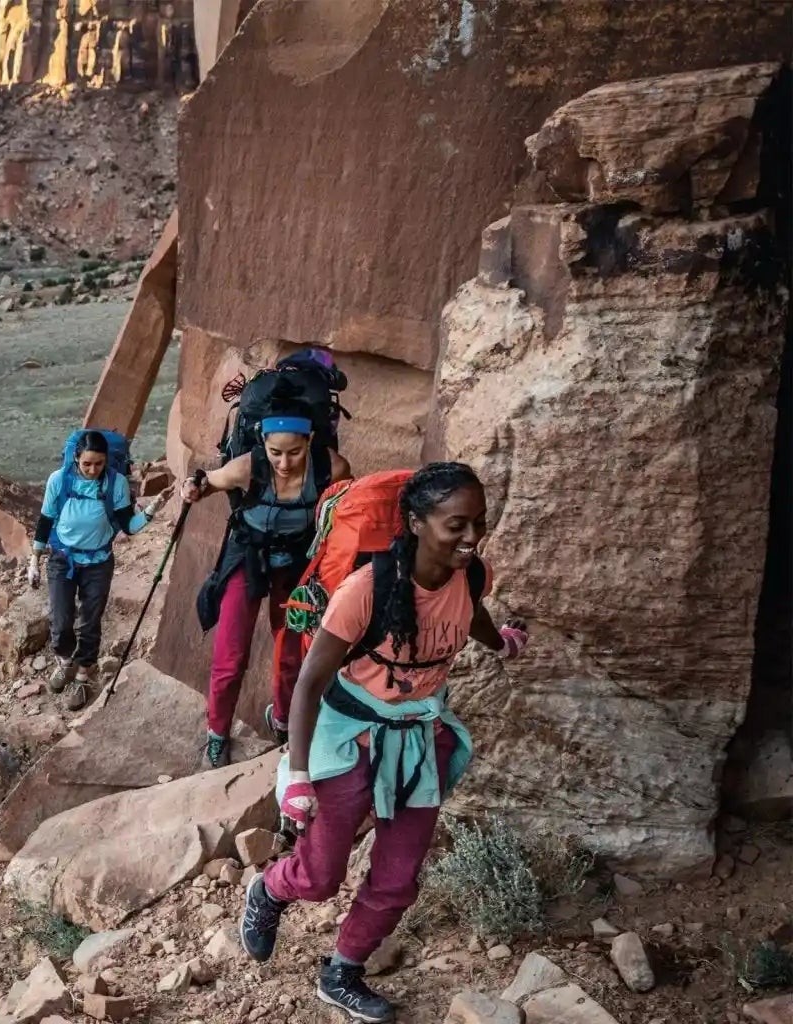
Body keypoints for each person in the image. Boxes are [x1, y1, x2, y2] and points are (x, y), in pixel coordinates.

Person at [237, 462, 530, 1023]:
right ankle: (272, 890)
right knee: (320, 876)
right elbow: (310, 684)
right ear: (417, 523)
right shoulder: (364, 591)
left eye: (479, 523)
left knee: (398, 877)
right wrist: (298, 776)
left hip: (417, 739)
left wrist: (501, 642)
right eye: (457, 525)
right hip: (351, 738)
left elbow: (471, 614)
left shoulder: (469, 574)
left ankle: (342, 972)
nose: (471, 536)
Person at [181, 409, 352, 766]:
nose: (284, 463)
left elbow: (346, 505)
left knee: (291, 653)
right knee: (231, 654)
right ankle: (217, 732)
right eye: (275, 452)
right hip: (248, 556)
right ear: (263, 445)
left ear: (310, 441)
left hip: (296, 562)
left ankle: (285, 718)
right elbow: (208, 481)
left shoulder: (330, 466)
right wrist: (193, 488)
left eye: (294, 452)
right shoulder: (246, 466)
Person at [28, 428, 168, 711]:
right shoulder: (59, 480)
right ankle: (65, 661)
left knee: (90, 620)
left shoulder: (115, 484)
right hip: (62, 558)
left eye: (99, 464)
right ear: (75, 459)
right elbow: (45, 521)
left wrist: (152, 510)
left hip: (99, 563)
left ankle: (83, 675)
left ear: (107, 461)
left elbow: (129, 526)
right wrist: (34, 561)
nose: (93, 470)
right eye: (87, 464)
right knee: (60, 618)